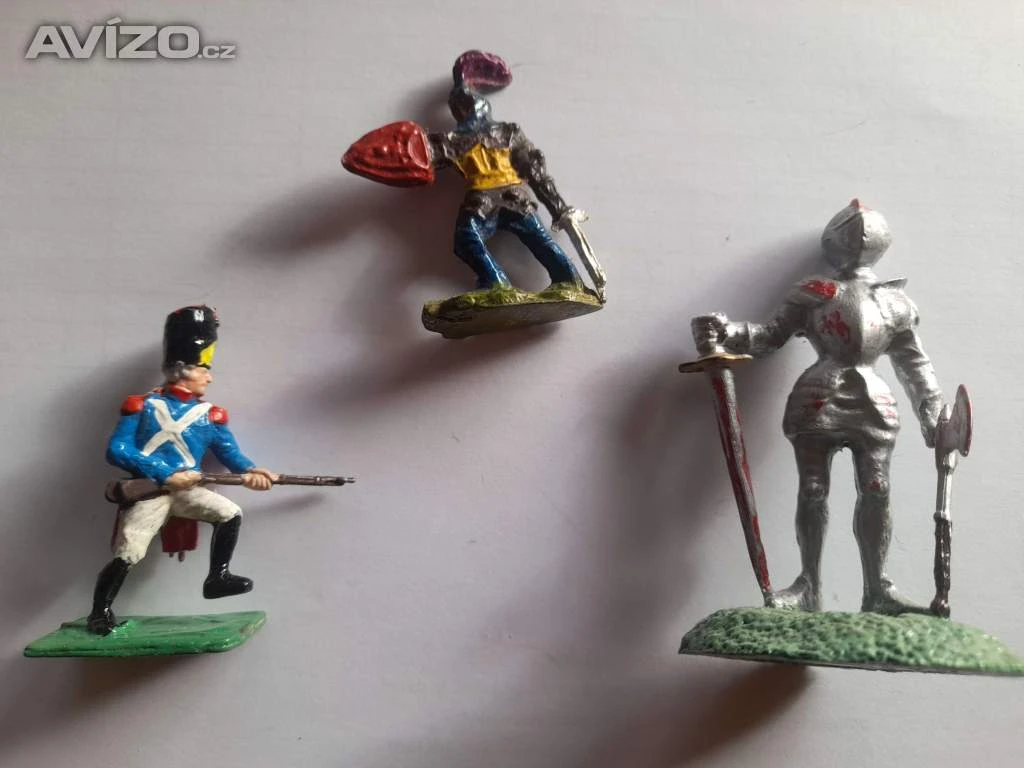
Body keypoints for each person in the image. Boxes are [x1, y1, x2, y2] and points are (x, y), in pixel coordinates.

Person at [695, 200, 944, 615]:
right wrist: (729, 331)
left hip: (873, 403)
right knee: (813, 489)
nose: (860, 226)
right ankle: (808, 585)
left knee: (877, 489)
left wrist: (931, 410)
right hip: (817, 399)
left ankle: (877, 589)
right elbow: (770, 336)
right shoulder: (814, 293)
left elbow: (914, 362)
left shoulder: (895, 302)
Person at [86, 306, 278, 635]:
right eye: (204, 369)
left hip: (188, 490)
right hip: (150, 492)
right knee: (129, 553)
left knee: (230, 513)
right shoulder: (141, 406)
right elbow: (117, 450)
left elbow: (229, 453)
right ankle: (99, 613)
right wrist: (164, 473)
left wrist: (253, 471)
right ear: (181, 370)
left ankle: (217, 577)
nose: (209, 377)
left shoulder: (211, 414)